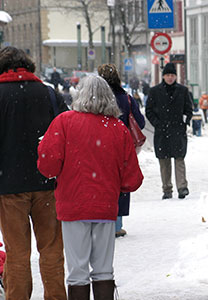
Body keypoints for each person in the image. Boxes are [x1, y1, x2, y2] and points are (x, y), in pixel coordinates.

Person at [37, 75, 144, 299]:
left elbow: (48, 166)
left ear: (80, 95)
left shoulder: (64, 122)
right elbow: (132, 179)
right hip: (105, 208)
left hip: (73, 207)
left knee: (77, 271)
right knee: (104, 269)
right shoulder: (117, 128)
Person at [0, 46, 68, 300]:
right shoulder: (48, 94)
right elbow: (65, 136)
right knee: (51, 250)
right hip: (47, 183)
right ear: (29, 66)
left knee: (16, 253)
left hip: (8, 186)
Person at [97, 63, 145, 238]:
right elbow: (140, 122)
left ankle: (101, 223)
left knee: (101, 183)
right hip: (120, 147)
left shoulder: (95, 100)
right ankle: (117, 224)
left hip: (97, 147)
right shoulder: (126, 98)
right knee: (120, 184)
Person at [145, 62, 193, 200]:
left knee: (179, 159)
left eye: (172, 75)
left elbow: (188, 109)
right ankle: (167, 188)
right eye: (168, 75)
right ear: (163, 76)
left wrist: (185, 121)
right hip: (162, 131)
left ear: (176, 76)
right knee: (164, 161)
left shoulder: (183, 91)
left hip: (178, 130)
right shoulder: (155, 91)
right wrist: (157, 123)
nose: (170, 78)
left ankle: (182, 187)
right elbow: (149, 111)